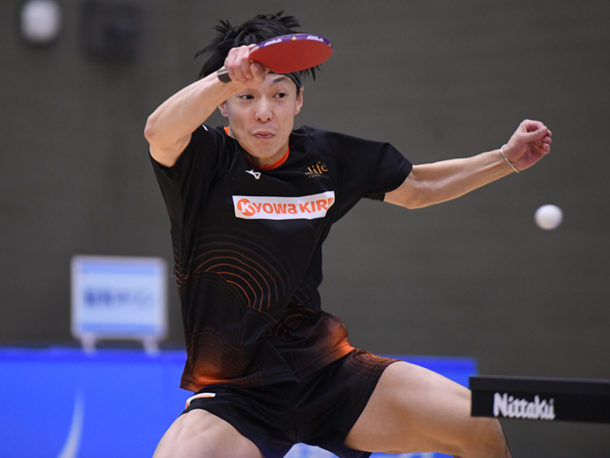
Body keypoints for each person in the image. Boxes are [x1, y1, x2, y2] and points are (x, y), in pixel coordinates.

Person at [144, 12, 551, 458]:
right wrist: (225, 76)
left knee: (476, 422)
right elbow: (158, 132)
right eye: (246, 96)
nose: (264, 111)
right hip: (236, 393)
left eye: (279, 94)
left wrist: (505, 159)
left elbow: (419, 186)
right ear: (224, 105)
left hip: (324, 372)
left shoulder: (325, 158)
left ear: (298, 101)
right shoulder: (204, 161)